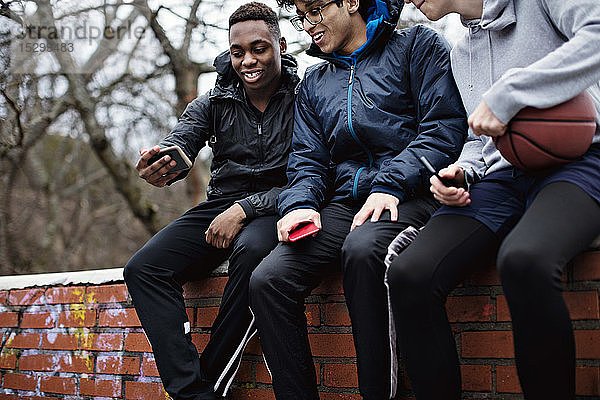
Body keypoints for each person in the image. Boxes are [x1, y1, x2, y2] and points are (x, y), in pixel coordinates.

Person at [248, 0, 467, 398]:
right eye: (301, 16)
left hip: (413, 192)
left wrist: (391, 182)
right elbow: (307, 161)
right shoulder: (314, 83)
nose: (307, 25)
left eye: (314, 10)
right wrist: (299, 204)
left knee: (363, 249)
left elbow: (443, 129)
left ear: (351, 2)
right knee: (268, 279)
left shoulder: (417, 46)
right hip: (348, 203)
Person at [387, 0, 600, 398]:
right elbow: (480, 141)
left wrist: (511, 92)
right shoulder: (462, 51)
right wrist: (462, 171)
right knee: (409, 274)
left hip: (582, 160)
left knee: (523, 260)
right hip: (502, 178)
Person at [123, 3, 300, 399]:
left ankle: (215, 375)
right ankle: (192, 391)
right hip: (222, 203)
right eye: (238, 52)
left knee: (253, 249)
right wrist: (166, 161)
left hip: (278, 203)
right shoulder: (213, 101)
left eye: (260, 49)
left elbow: (312, 175)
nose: (248, 60)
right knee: (143, 269)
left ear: (281, 45)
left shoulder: (305, 97)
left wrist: (245, 210)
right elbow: (182, 142)